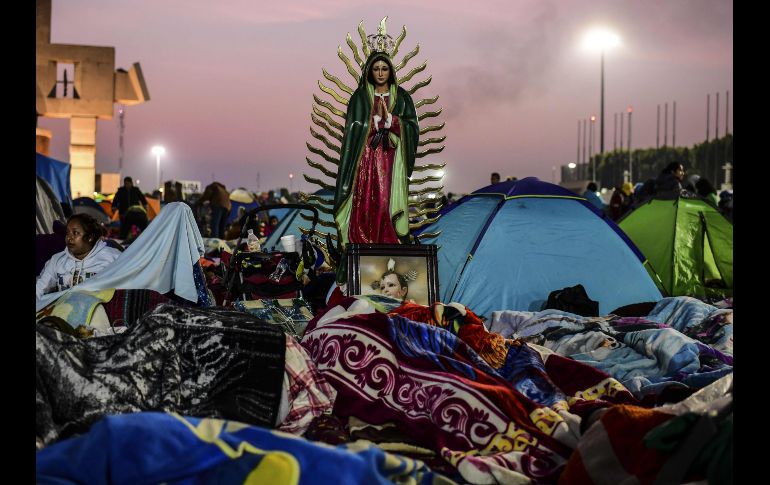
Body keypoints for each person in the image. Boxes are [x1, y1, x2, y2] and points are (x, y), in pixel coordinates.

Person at [333, 23, 419, 259]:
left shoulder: (402, 97)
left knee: (384, 204)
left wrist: (393, 122)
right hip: (366, 160)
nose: (380, 73)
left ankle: (388, 244)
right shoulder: (360, 97)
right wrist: (372, 125)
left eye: (384, 69)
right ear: (369, 71)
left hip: (392, 161)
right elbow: (353, 129)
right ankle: (363, 245)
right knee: (366, 205)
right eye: (376, 69)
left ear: (391, 71)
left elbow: (412, 126)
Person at [36, 213, 122, 298]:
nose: (69, 238)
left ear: (90, 237)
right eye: (67, 233)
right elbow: (39, 290)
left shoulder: (113, 258)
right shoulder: (57, 260)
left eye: (75, 233)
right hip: (64, 310)